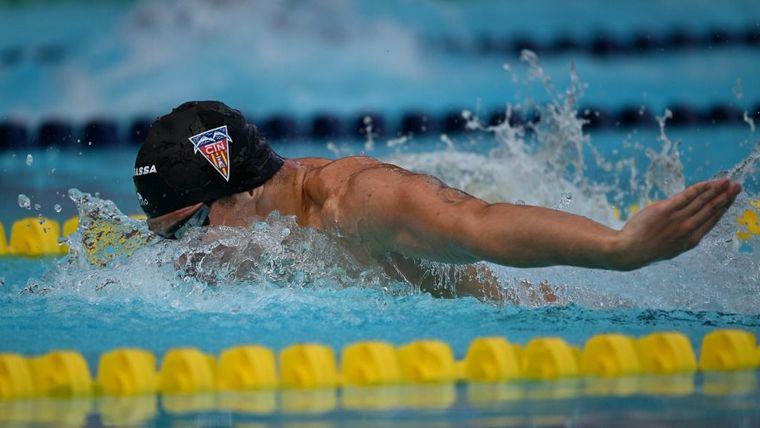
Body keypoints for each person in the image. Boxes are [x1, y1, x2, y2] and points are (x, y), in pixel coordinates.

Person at [133, 101, 742, 300]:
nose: (183, 257)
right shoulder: (254, 229)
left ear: (237, 194)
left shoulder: (356, 201)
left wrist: (621, 249)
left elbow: (480, 223)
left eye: (186, 232)